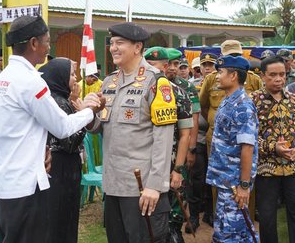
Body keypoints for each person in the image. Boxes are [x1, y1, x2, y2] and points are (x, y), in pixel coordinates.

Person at [0, 15, 103, 243]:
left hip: (5, 184)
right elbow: (62, 126)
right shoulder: (30, 81)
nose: (48, 48)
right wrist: (90, 110)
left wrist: (43, 146)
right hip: (25, 187)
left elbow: (17, 128)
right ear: (34, 43)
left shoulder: (2, 79)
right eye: (47, 41)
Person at [88, 22, 176, 242]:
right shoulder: (108, 82)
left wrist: (155, 186)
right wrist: (89, 113)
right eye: (111, 43)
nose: (113, 48)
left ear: (137, 48)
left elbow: (163, 140)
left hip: (141, 188)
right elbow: (100, 128)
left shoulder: (156, 82)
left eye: (120, 43)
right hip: (113, 184)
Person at [250, 56, 295, 243]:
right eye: (273, 75)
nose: (279, 79)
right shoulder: (252, 101)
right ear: (262, 76)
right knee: (267, 217)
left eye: (282, 75)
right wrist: (272, 148)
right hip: (266, 169)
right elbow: (248, 137)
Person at [206, 55, 259, 242]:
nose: (217, 76)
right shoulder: (229, 100)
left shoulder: (242, 106)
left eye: (220, 72)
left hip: (235, 184)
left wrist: (244, 186)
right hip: (226, 181)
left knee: (231, 234)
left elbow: (247, 147)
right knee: (229, 230)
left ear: (234, 75)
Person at [145, 47, 194, 242]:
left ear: (164, 67)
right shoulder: (142, 92)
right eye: (146, 65)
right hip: (146, 162)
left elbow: (185, 136)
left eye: (153, 66)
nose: (149, 70)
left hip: (171, 161)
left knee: (172, 220)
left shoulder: (179, 94)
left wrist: (178, 169)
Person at [39, 58, 86, 243]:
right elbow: (70, 142)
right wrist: (84, 114)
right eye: (72, 74)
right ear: (59, 77)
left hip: (64, 169)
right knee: (59, 221)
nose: (76, 79)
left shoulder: (61, 99)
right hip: (60, 168)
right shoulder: (58, 102)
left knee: (64, 219)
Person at [186, 52, 214, 232]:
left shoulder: (220, 85)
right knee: (196, 179)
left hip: (214, 139)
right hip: (197, 137)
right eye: (204, 65)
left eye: (211, 65)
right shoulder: (191, 86)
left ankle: (211, 214)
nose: (207, 68)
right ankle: (194, 217)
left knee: (212, 179)